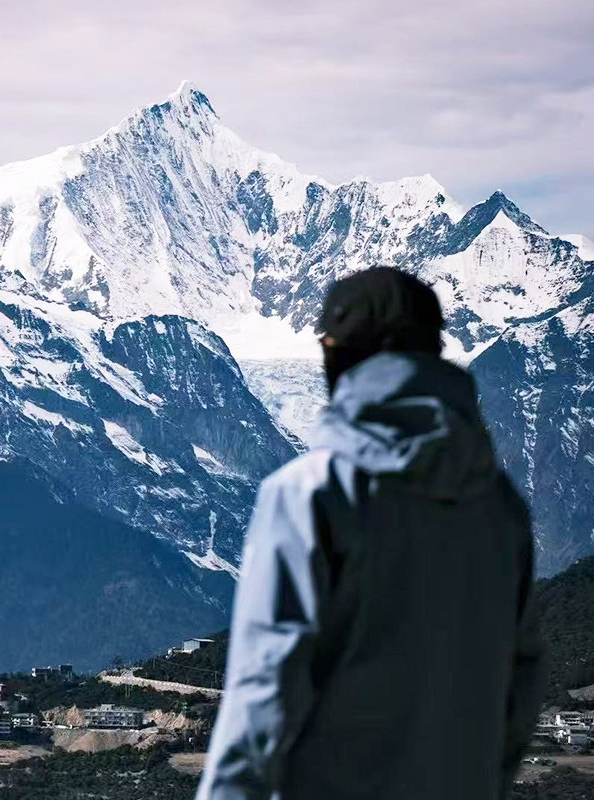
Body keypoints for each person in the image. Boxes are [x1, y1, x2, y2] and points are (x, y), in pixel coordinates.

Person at [196, 267, 546, 800]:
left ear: (342, 355)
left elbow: (265, 690)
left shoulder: (311, 494)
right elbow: (521, 686)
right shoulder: (500, 507)